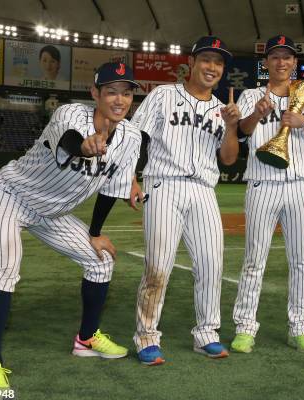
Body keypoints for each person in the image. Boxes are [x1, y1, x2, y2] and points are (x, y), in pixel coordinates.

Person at [0, 62, 143, 399]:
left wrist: (95, 232)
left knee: (101, 260)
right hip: (8, 195)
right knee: (5, 269)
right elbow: (68, 142)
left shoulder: (132, 137)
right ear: (95, 93)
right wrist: (85, 147)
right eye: (111, 91)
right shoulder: (69, 114)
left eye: (126, 93)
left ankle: (86, 339)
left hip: (52, 212)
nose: (120, 99)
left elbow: (113, 190)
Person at [130, 36, 240, 365]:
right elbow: (135, 136)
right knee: (158, 266)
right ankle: (146, 336)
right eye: (206, 59)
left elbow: (230, 159)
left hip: (204, 190)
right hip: (163, 184)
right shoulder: (163, 95)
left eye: (218, 63)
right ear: (191, 64)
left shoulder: (222, 110)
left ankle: (207, 333)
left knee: (211, 265)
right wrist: (131, 178)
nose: (212, 67)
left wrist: (232, 126)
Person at [230, 35, 304, 354]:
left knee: (300, 261)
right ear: (267, 63)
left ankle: (299, 328)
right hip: (262, 183)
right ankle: (245, 328)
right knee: (254, 259)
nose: (281, 62)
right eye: (275, 57)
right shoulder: (250, 95)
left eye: (287, 57)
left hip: (298, 185)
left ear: (294, 63)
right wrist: (257, 114)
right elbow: (241, 133)